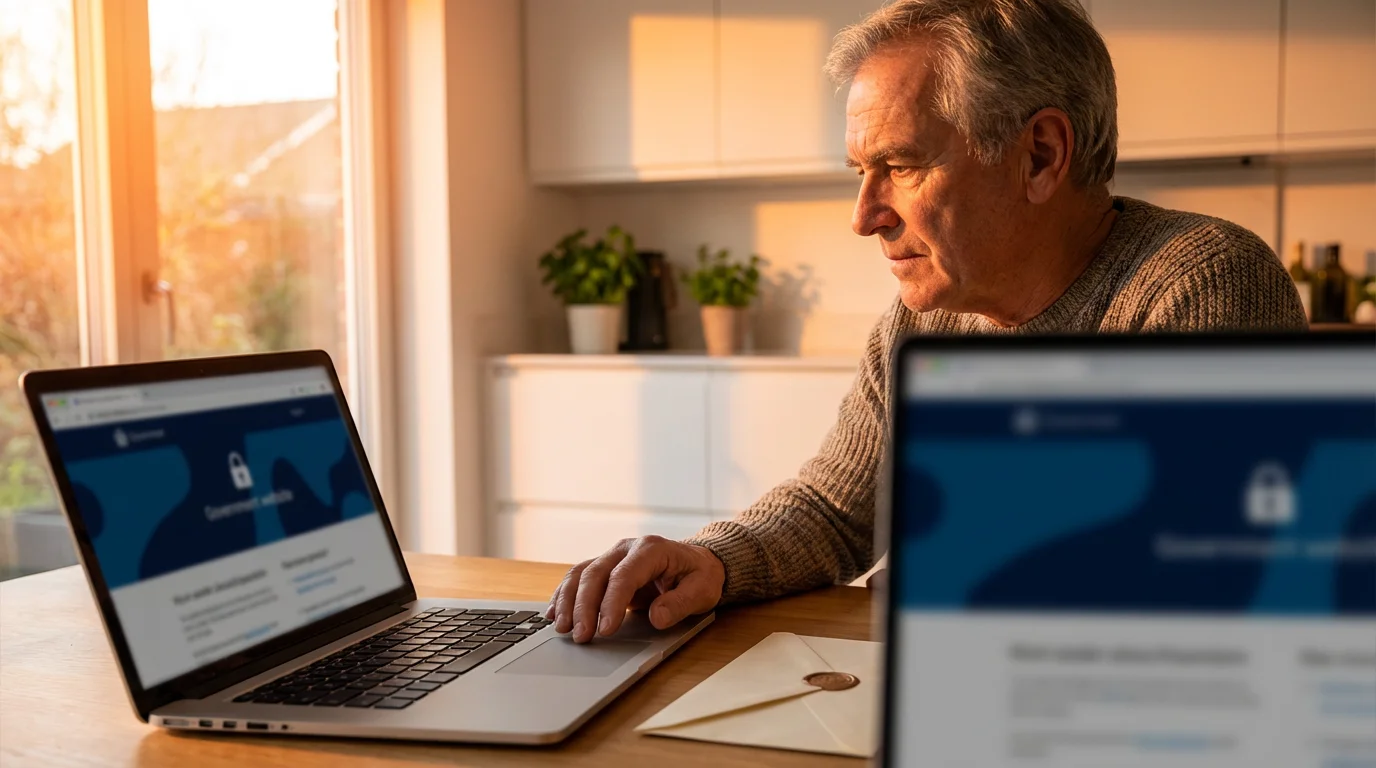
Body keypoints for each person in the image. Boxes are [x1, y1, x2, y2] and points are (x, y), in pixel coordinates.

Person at [545, 0, 1308, 643]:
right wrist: (713, 558)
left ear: (1041, 155)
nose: (865, 216)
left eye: (902, 166)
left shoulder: (1201, 282)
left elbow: (1194, 590)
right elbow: (839, 508)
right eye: (860, 172)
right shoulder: (926, 323)